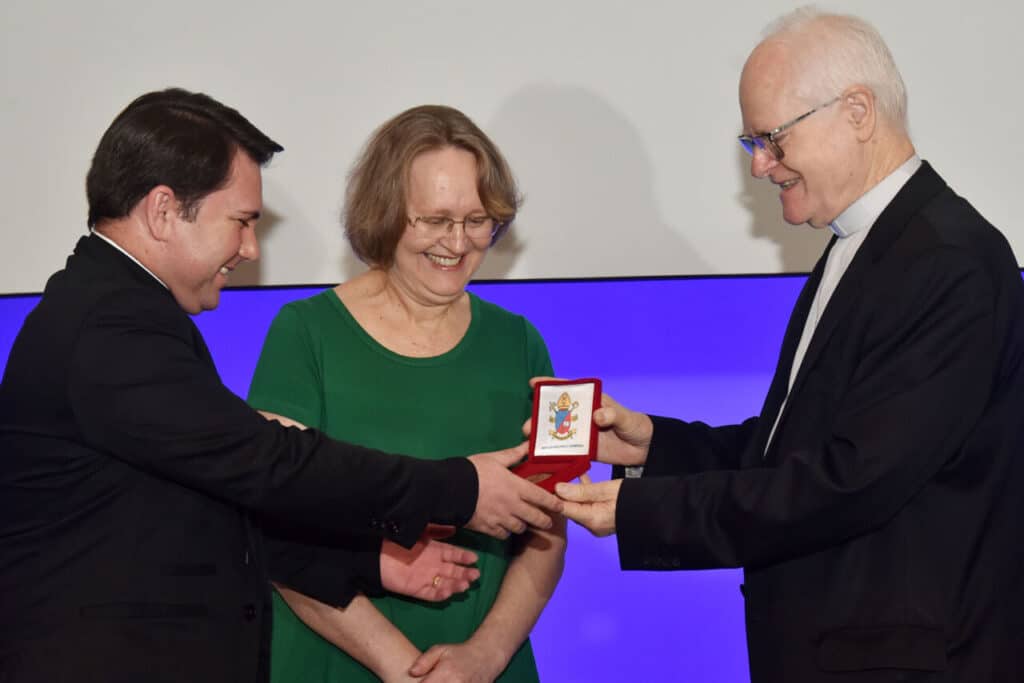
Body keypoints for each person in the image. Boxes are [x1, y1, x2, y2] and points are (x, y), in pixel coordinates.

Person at [0, 89, 562, 682]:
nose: (248, 249)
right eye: (241, 222)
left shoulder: (116, 313)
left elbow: (225, 505)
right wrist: (458, 487)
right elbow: (270, 467)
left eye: (477, 220)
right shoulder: (113, 327)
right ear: (164, 210)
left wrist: (371, 563)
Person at [554, 9, 1024, 682]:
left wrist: (644, 511)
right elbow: (793, 449)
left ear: (858, 112)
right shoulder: (865, 244)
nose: (761, 166)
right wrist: (658, 447)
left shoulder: (948, 260)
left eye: (770, 139)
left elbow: (847, 482)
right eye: (752, 144)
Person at [247, 104, 566, 683]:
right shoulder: (304, 335)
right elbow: (274, 531)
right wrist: (406, 669)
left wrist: (486, 656)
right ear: (387, 213)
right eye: (435, 219)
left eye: (477, 219)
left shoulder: (521, 343)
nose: (458, 242)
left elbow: (547, 535)